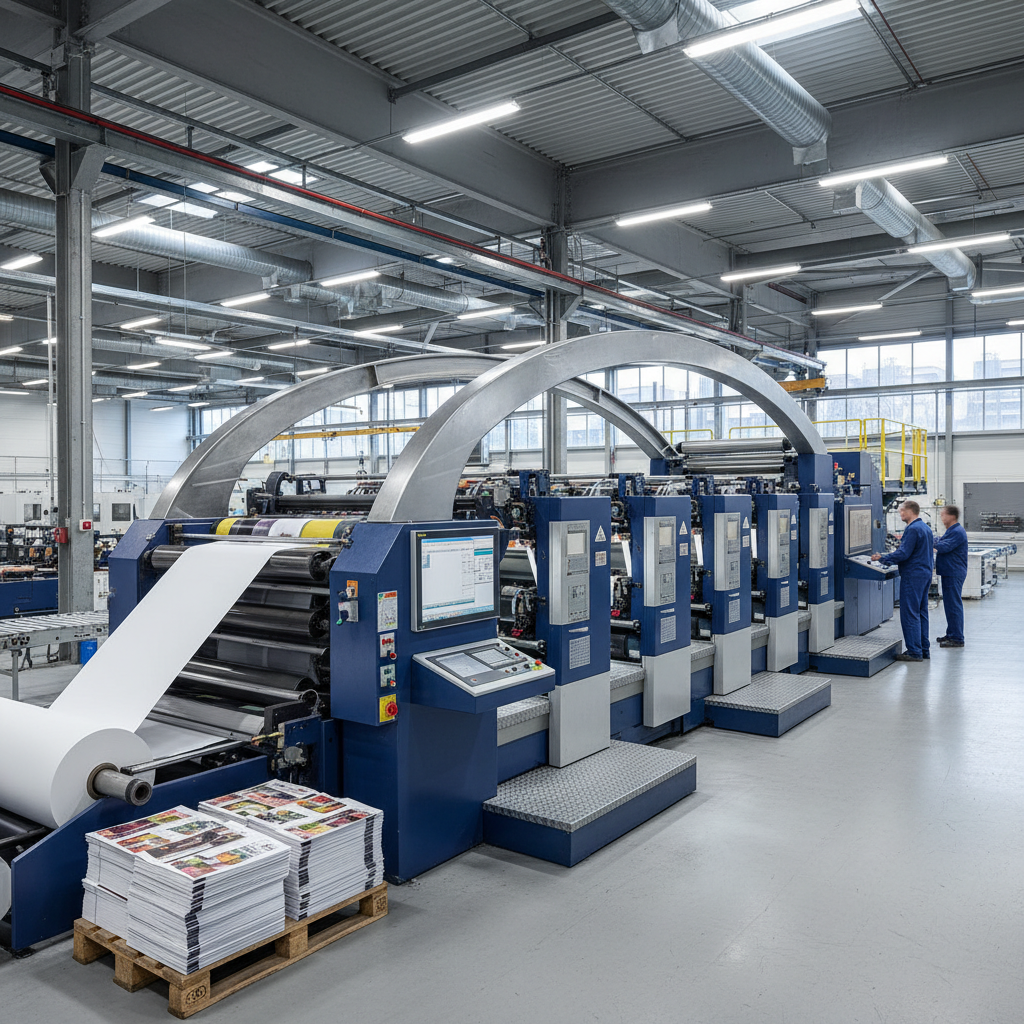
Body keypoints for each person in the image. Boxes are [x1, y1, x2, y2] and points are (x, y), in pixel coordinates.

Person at [871, 499, 934, 662]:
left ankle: (914, 651)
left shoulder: (912, 529)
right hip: (924, 574)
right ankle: (923, 649)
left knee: (910, 613)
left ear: (909, 511)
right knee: (921, 612)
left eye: (901, 511)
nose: (900, 514)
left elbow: (904, 553)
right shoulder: (925, 527)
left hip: (913, 576)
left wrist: (883, 559)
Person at [934, 504, 968, 648]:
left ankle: (957, 638)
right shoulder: (952, 530)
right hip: (949, 572)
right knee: (949, 605)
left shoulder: (957, 532)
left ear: (951, 516)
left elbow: (944, 547)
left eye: (943, 515)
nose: (941, 518)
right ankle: (951, 633)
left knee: (953, 605)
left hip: (953, 573)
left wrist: (930, 538)